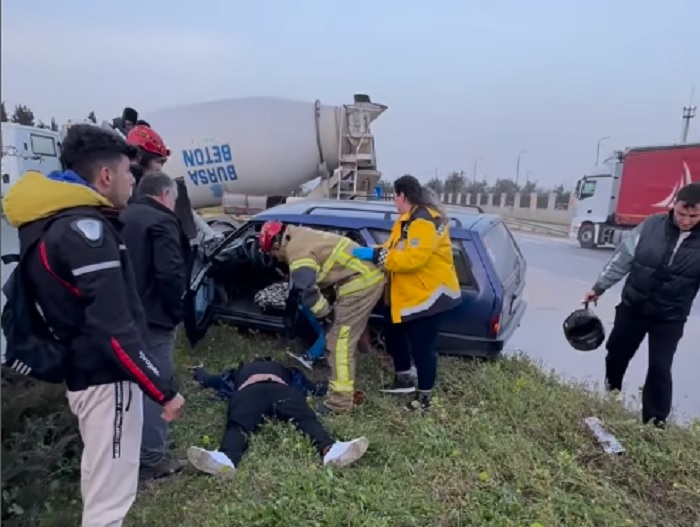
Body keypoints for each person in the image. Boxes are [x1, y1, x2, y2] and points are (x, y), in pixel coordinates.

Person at [1, 124, 185, 527]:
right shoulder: (86, 230)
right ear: (105, 176)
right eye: (127, 172)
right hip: (107, 381)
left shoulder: (48, 222)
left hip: (84, 375)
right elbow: (113, 329)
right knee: (109, 504)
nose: (131, 181)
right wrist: (164, 391)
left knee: (99, 480)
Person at [582, 182, 700, 428]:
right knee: (616, 353)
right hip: (633, 308)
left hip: (670, 318)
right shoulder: (650, 226)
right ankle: (612, 393)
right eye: (681, 213)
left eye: (694, 215)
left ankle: (655, 423)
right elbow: (621, 259)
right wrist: (598, 287)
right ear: (673, 206)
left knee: (660, 369)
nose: (686, 220)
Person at [352, 175, 461, 411]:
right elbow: (394, 249)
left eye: (394, 197)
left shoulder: (423, 222)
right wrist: (372, 251)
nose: (393, 202)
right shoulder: (406, 220)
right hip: (408, 297)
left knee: (424, 351)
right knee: (394, 335)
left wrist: (377, 257)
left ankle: (424, 400)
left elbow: (414, 259)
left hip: (429, 298)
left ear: (402, 196)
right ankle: (403, 378)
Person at [258, 221, 386, 413]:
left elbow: (307, 290)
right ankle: (341, 384)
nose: (277, 259)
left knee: (338, 342)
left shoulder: (296, 250)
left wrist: (326, 314)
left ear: (276, 245)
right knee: (342, 337)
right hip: (361, 278)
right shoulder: (301, 234)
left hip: (360, 283)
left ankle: (339, 404)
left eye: (273, 255)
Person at [186, 358, 369, 478]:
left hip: (281, 390)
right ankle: (225, 460)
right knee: (238, 424)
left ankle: (331, 450)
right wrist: (198, 371)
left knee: (305, 417)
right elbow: (210, 380)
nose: (260, 361)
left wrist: (348, 392)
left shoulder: (286, 370)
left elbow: (314, 386)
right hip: (250, 393)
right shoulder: (236, 372)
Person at [120, 172, 191, 480]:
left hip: (121, 316)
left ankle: (126, 448)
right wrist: (176, 312)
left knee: (128, 383)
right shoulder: (161, 221)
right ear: (164, 195)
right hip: (153, 318)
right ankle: (152, 459)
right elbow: (171, 275)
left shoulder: (121, 214)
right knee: (156, 385)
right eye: (174, 200)